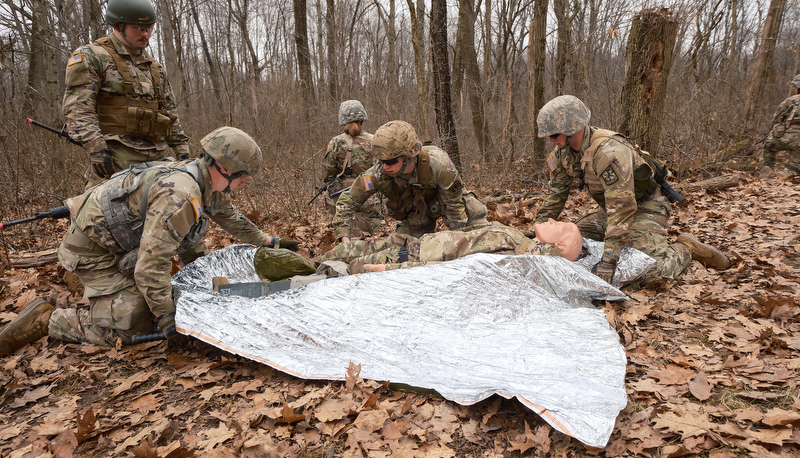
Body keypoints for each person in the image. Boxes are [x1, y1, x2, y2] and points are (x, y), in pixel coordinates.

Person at [0, 127, 299, 357]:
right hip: (92, 251)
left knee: (175, 293)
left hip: (120, 244)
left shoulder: (205, 182)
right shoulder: (180, 195)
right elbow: (150, 267)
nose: (246, 182)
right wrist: (167, 318)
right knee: (135, 322)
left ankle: (101, 296)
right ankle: (50, 318)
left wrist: (270, 241)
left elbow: (229, 219)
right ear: (225, 168)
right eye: (244, 176)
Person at [534, 95, 730, 285]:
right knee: (573, 243)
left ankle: (685, 248)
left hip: (646, 207)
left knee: (651, 271)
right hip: (610, 211)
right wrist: (539, 233)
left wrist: (609, 260)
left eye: (554, 135)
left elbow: (622, 208)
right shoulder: (562, 155)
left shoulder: (609, 152)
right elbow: (556, 195)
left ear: (572, 129)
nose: (551, 140)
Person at [63, 0, 191, 188]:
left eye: (149, 28)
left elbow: (170, 113)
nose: (145, 34)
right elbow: (78, 109)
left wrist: (183, 152)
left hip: (157, 158)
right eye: (138, 28)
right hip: (115, 158)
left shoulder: (155, 67)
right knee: (100, 213)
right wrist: (97, 149)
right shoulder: (92, 56)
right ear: (118, 26)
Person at [333, 120, 488, 241]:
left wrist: (459, 240)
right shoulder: (379, 174)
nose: (385, 167)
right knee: (406, 248)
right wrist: (343, 235)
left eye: (391, 161)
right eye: (381, 161)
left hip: (446, 202)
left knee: (475, 226)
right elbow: (348, 200)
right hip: (418, 213)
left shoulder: (440, 165)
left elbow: (454, 207)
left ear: (409, 157)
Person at [318, 220, 582, 273]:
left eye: (559, 225)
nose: (551, 219)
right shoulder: (521, 239)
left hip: (407, 257)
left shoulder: (515, 251)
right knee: (341, 251)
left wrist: (397, 267)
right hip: (415, 243)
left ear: (558, 244)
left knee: (334, 269)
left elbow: (458, 266)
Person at [319, 100, 382, 237]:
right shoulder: (374, 141)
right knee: (369, 238)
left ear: (342, 120)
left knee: (343, 233)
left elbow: (327, 175)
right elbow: (381, 171)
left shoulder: (335, 142)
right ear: (362, 119)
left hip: (341, 195)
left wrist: (337, 190)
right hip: (369, 192)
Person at [761, 74, 800, 177]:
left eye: (795, 86)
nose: (794, 88)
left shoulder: (790, 100)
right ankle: (792, 171)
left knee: (769, 144)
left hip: (787, 139)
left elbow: (776, 118)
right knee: (794, 170)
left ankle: (769, 169)